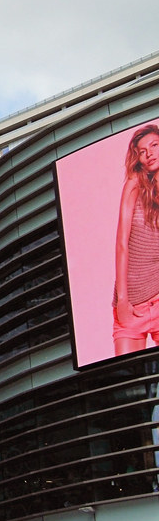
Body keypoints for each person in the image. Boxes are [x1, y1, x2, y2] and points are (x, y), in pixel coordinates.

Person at [113, 124, 159, 355]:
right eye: (142, 151)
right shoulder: (134, 186)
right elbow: (122, 244)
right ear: (138, 158)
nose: (149, 153)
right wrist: (122, 300)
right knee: (125, 381)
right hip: (131, 306)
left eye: (154, 145)